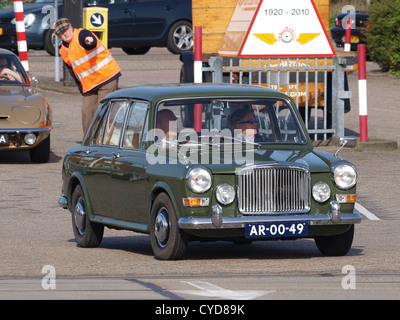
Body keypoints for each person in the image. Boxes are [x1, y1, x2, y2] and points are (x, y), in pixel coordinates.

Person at [54, 18, 121, 137]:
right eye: (61, 32)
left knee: (104, 110)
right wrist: (82, 90)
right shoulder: (63, 50)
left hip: (106, 77)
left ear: (71, 27)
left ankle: (106, 141)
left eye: (66, 29)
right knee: (87, 111)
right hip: (90, 85)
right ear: (58, 36)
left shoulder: (81, 35)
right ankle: (89, 141)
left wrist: (89, 41)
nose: (65, 33)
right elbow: (75, 73)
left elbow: (90, 40)